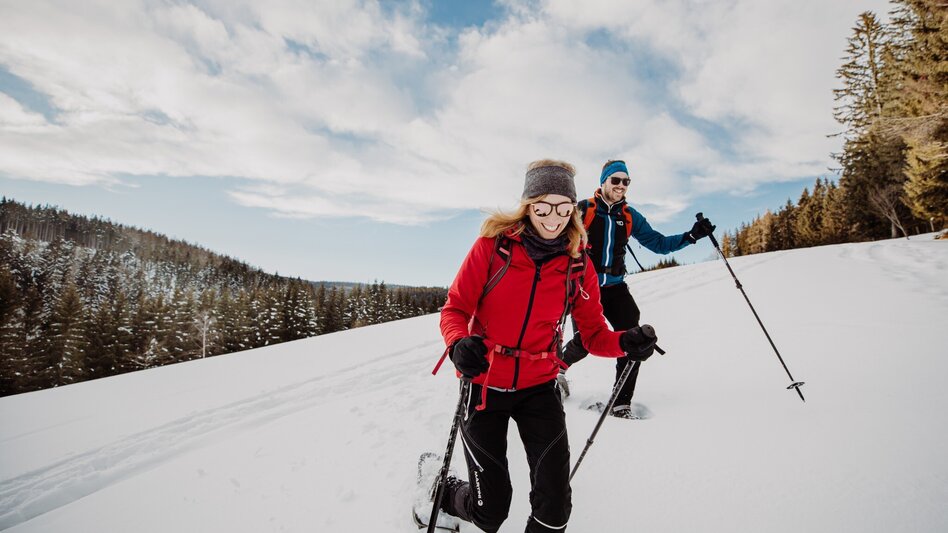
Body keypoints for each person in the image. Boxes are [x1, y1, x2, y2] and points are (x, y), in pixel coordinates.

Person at [422, 159, 660, 533]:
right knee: (491, 512)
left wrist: (626, 343)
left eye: (564, 209)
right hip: (485, 386)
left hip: (539, 389)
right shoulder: (492, 248)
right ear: (528, 205)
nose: (554, 219)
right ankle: (445, 489)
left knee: (555, 511)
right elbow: (455, 308)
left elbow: (595, 335)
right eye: (543, 207)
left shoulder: (578, 264)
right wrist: (457, 344)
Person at [556, 159, 715, 419]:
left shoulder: (629, 216)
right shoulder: (583, 209)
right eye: (615, 180)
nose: (621, 186)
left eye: (625, 181)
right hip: (585, 289)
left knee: (633, 341)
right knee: (585, 343)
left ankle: (621, 403)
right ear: (603, 182)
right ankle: (558, 369)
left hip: (616, 288)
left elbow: (659, 243)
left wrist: (691, 236)